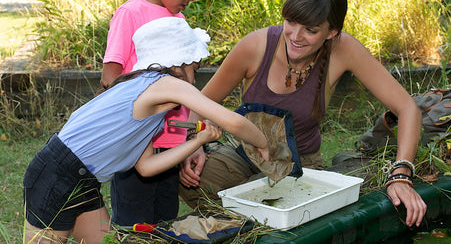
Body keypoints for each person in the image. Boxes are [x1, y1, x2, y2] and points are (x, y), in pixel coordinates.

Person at [179, 0, 427, 227]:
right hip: (245, 156)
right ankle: (247, 210)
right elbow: (201, 101)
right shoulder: (255, 46)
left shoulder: (344, 49)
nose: (296, 36)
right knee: (184, 173)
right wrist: (194, 143)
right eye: (291, 22)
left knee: (287, 208)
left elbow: (407, 108)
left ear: (332, 31)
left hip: (301, 167)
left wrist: (401, 174)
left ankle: (245, 213)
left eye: (310, 30)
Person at [23, 17, 269, 244]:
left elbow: (146, 166)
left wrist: (199, 140)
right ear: (179, 63)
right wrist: (264, 144)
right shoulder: (165, 84)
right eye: (195, 66)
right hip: (55, 175)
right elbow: (234, 122)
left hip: (81, 178)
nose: (194, 78)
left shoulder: (149, 100)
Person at [100, 0, 217, 226]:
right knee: (135, 223)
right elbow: (109, 80)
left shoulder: (178, 20)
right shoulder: (130, 14)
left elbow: (185, 89)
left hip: (173, 146)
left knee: (166, 219)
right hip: (137, 147)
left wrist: (193, 139)